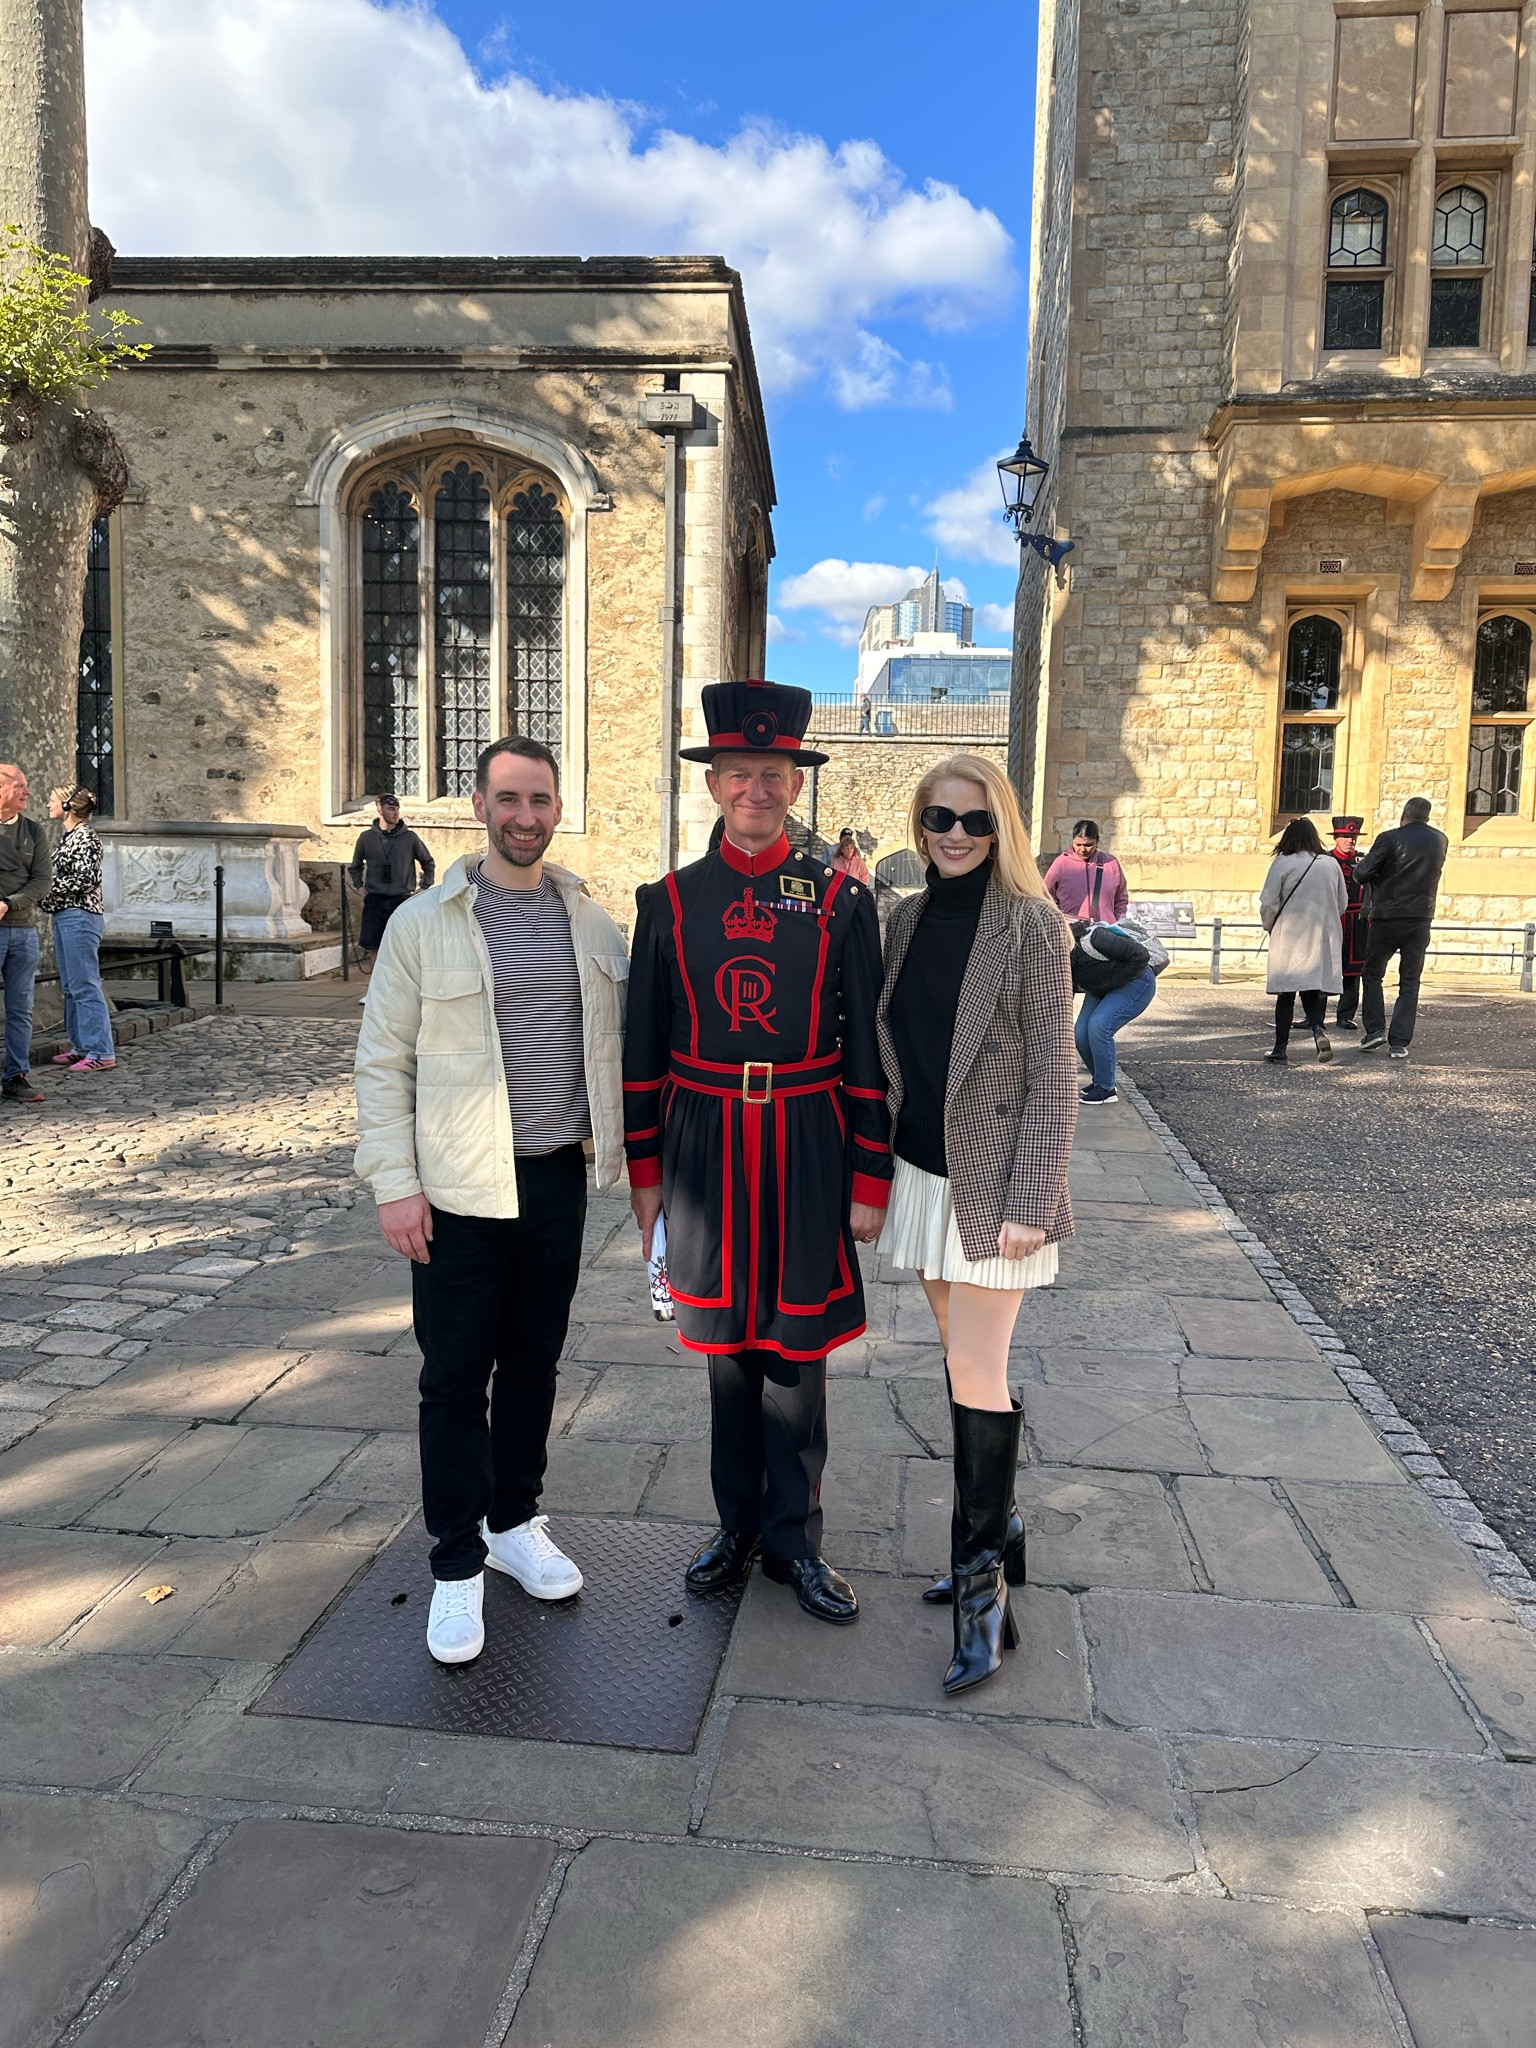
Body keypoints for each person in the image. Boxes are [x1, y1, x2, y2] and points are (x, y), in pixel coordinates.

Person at [354, 735, 629, 1666]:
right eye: (507, 798)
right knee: (453, 1377)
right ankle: (455, 1564)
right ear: (478, 805)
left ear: (557, 808)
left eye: (540, 799)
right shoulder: (424, 922)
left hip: (553, 1176)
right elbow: (382, 1062)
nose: (524, 816)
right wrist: (396, 1185)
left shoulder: (591, 921)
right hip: (460, 1185)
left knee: (537, 1361)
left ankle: (514, 1521)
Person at [624, 680, 893, 1626]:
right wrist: (646, 1176)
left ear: (794, 783)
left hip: (807, 1138)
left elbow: (864, 1046)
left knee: (798, 1351)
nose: (756, 790)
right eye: (739, 773)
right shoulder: (668, 902)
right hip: (701, 1143)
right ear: (714, 783)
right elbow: (641, 1050)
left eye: (772, 775)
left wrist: (870, 1173)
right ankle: (736, 1527)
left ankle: (795, 1542)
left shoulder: (836, 901)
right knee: (726, 1355)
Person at [875, 754, 1076, 1694]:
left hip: (997, 1188)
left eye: (974, 820)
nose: (955, 833)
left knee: (975, 1375)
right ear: (919, 824)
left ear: (1002, 829)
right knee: (960, 1361)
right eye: (939, 817)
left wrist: (1034, 1204)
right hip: (921, 1171)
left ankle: (982, 1593)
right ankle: (1003, 1533)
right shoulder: (904, 918)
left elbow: (1052, 1071)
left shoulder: (1036, 927)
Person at [1354, 797, 1448, 1060]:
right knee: (1410, 981)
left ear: (1403, 814)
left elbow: (1361, 874)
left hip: (1388, 916)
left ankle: (1374, 1030)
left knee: (1372, 973)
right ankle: (1399, 1042)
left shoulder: (1389, 838)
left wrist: (1369, 869)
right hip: (1420, 918)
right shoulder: (1440, 840)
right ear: (1426, 817)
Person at [1259, 818, 1348, 1065]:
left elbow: (1269, 901)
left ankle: (1280, 1048)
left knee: (1286, 995)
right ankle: (1318, 1029)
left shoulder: (1283, 862)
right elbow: (1342, 902)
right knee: (1312, 988)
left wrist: (1269, 925)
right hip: (1322, 936)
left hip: (1290, 934)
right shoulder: (1330, 864)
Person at [41, 785, 115, 1073]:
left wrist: (44, 889)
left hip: (80, 917)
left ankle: (101, 1051)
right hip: (66, 915)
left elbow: (84, 880)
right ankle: (82, 1047)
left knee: (85, 985)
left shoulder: (85, 837)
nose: (48, 804)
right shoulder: (71, 837)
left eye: (53, 800)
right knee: (72, 987)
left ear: (69, 806)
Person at [0, 764, 50, 1105]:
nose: (27, 793)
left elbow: (42, 882)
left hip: (23, 933)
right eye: (20, 786)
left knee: (21, 1008)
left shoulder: (34, 832)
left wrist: (8, 902)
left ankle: (16, 1076)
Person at [1069, 915, 1155, 1104]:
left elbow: (1141, 956)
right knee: (1080, 1034)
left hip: (1135, 981)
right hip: (1101, 986)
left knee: (1099, 1026)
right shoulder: (1059, 957)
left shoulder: (1095, 938)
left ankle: (1106, 1089)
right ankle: (1101, 1081)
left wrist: (1113, 982)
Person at [349, 793, 435, 964]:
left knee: (403, 947)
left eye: (397, 809)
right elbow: (355, 865)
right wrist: (358, 885)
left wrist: (424, 886)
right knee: (375, 947)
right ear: (379, 810)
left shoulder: (410, 838)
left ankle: (398, 989)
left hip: (401, 899)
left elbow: (428, 862)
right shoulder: (366, 838)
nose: (396, 813)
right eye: (391, 809)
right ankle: (375, 989)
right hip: (374, 900)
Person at [1043, 819, 1128, 925]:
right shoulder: (1061, 863)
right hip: (1071, 931)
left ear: (1097, 842)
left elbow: (1121, 898)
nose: (1082, 850)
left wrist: (1119, 922)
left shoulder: (1111, 863)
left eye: (1088, 845)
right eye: (1078, 844)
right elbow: (1045, 895)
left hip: (1106, 930)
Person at [1326, 815, 1368, 1031]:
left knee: (1353, 972)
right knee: (1323, 968)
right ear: (1336, 837)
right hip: (1331, 919)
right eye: (1346, 836)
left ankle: (1345, 1015)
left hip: (1356, 921)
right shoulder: (1325, 860)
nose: (1350, 840)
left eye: (1353, 836)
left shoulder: (1363, 861)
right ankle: (1314, 1015)